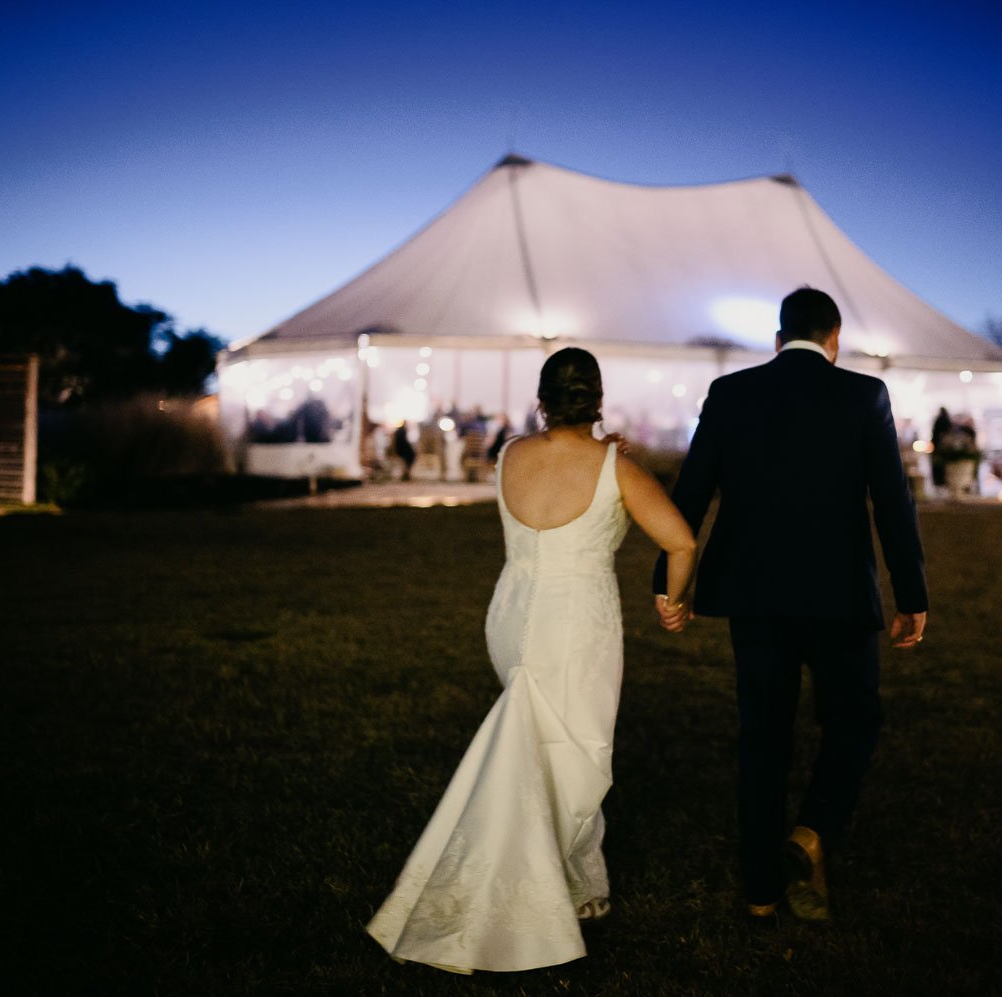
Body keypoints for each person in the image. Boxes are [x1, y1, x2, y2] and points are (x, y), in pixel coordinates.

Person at [367, 347, 697, 974]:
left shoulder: (509, 454)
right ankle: (565, 893)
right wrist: (671, 603)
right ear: (597, 398)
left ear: (543, 398)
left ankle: (571, 880)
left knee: (539, 745)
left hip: (512, 616)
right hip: (577, 626)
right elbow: (680, 540)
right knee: (576, 752)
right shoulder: (617, 468)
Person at [652, 287, 928, 925]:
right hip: (840, 598)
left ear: (777, 340)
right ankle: (811, 833)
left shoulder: (731, 393)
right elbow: (893, 501)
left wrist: (665, 584)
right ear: (835, 341)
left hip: (754, 598)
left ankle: (759, 891)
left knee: (763, 738)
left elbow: (690, 492)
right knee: (854, 721)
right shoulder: (862, 395)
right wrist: (911, 594)